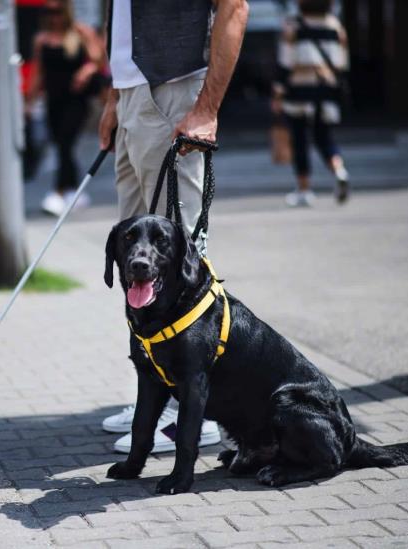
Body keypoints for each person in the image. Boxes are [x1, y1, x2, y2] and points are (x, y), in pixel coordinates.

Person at [97, 0, 249, 454]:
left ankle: (190, 412)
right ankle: (154, 394)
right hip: (133, 95)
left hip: (174, 89)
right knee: (137, 264)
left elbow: (234, 6)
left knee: (176, 260)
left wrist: (207, 107)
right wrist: (115, 96)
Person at [27, 0, 108, 217]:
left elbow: (100, 60)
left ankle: (58, 192)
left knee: (65, 141)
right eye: (49, 12)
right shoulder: (42, 39)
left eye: (58, 11)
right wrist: (28, 102)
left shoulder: (80, 32)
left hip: (77, 100)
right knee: (62, 145)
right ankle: (75, 191)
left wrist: (86, 71)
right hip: (53, 100)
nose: (54, 16)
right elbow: (38, 72)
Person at [272, 0, 350, 207]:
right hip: (326, 92)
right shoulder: (335, 26)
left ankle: (304, 189)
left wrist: (278, 94)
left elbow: (285, 63)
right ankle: (339, 171)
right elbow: (342, 63)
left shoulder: (292, 25)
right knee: (324, 137)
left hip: (299, 91)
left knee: (299, 140)